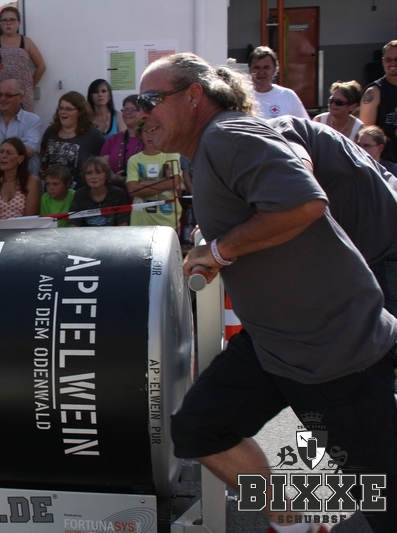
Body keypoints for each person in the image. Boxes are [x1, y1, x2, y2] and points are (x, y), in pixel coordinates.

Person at [137, 51, 397, 533]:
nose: (140, 113)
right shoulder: (207, 150)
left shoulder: (228, 135)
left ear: (193, 96)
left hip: (335, 351)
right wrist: (214, 241)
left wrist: (220, 251)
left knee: (385, 502)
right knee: (200, 429)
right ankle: (295, 521)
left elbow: (302, 203)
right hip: (273, 343)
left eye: (151, 100)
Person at [270, 116, 397, 318]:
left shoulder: (283, 130)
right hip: (373, 245)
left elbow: (303, 183)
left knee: (385, 328)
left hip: (385, 246)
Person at [0, 78, 42, 177]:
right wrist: (17, 157)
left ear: (21, 97)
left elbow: (29, 151)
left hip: (24, 181)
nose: (2, 99)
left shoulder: (32, 120)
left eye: (8, 95)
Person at [39, 91, 105, 188]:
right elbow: (42, 157)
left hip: (79, 194)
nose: (63, 112)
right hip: (52, 193)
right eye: (60, 108)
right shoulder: (51, 131)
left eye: (68, 109)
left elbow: (102, 167)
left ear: (80, 112)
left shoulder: (94, 136)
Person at [0, 6, 45, 113]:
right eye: (5, 20)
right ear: (0, 23)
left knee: (24, 121)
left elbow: (41, 66)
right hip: (1, 95)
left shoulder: (26, 42)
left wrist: (30, 86)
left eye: (12, 20)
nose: (8, 23)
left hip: (22, 95)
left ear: (19, 23)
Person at [126, 127, 184, 230]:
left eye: (153, 130)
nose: (150, 135)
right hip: (140, 223)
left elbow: (173, 183)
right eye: (146, 131)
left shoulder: (172, 155)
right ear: (140, 135)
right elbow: (132, 190)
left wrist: (142, 183)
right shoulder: (134, 160)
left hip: (168, 222)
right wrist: (164, 181)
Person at [0, 137, 40, 220]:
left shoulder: (31, 181)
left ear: (20, 159)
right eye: (1, 152)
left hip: (23, 227)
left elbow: (30, 217)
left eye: (9, 153)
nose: (3, 156)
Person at [248, 46, 309, 120]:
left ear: (275, 70)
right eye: (256, 68)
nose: (261, 72)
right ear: (250, 70)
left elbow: (304, 124)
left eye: (266, 67)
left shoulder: (288, 95)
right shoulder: (242, 97)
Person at [361, 40, 397, 162]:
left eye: (396, 59)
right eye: (388, 59)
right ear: (382, 61)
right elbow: (367, 133)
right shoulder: (374, 92)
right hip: (385, 161)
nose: (393, 63)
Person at [69, 157, 129, 227]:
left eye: (98, 172)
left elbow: (123, 224)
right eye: (89, 173)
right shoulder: (80, 194)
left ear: (107, 175)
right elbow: (74, 224)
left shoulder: (118, 194)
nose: (93, 177)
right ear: (84, 176)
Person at [100, 95, 144, 177]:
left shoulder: (149, 139)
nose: (127, 113)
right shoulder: (113, 139)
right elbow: (102, 166)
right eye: (125, 109)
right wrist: (114, 178)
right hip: (115, 184)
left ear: (142, 112)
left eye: (132, 109)